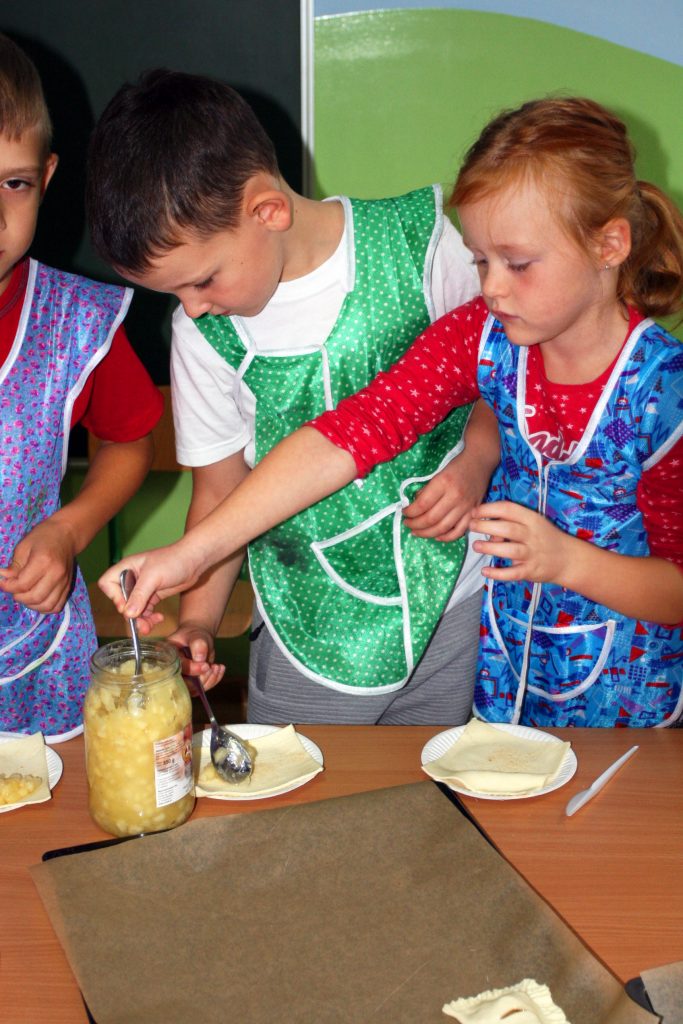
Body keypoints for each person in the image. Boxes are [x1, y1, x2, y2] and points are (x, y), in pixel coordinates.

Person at [99, 96, 683, 729]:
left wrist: (565, 561)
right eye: (480, 261)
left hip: (629, 704)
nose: (490, 287)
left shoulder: (664, 391)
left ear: (609, 245)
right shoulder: (478, 337)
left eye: (516, 264)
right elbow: (348, 435)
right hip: (508, 690)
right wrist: (190, 556)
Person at [86, 69, 500, 727]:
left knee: (441, 782)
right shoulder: (202, 334)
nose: (191, 308)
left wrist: (476, 461)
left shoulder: (421, 245)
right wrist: (198, 621)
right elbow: (220, 492)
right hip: (307, 628)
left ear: (267, 211)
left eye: (203, 280)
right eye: (175, 294)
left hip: (455, 600)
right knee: (300, 787)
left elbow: (501, 372)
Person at [0, 34, 163, 742]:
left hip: (36, 660)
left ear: (46, 175)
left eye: (13, 184)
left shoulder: (73, 322)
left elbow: (129, 440)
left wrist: (70, 530)